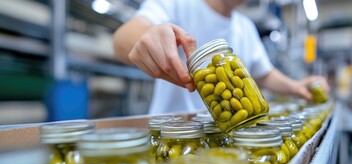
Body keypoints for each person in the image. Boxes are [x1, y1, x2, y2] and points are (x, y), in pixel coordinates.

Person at [113, 0, 329, 114]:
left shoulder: (245, 26)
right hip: (175, 132)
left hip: (226, 136)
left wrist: (296, 86)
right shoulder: (177, 3)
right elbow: (122, 40)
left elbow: (263, 74)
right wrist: (145, 37)